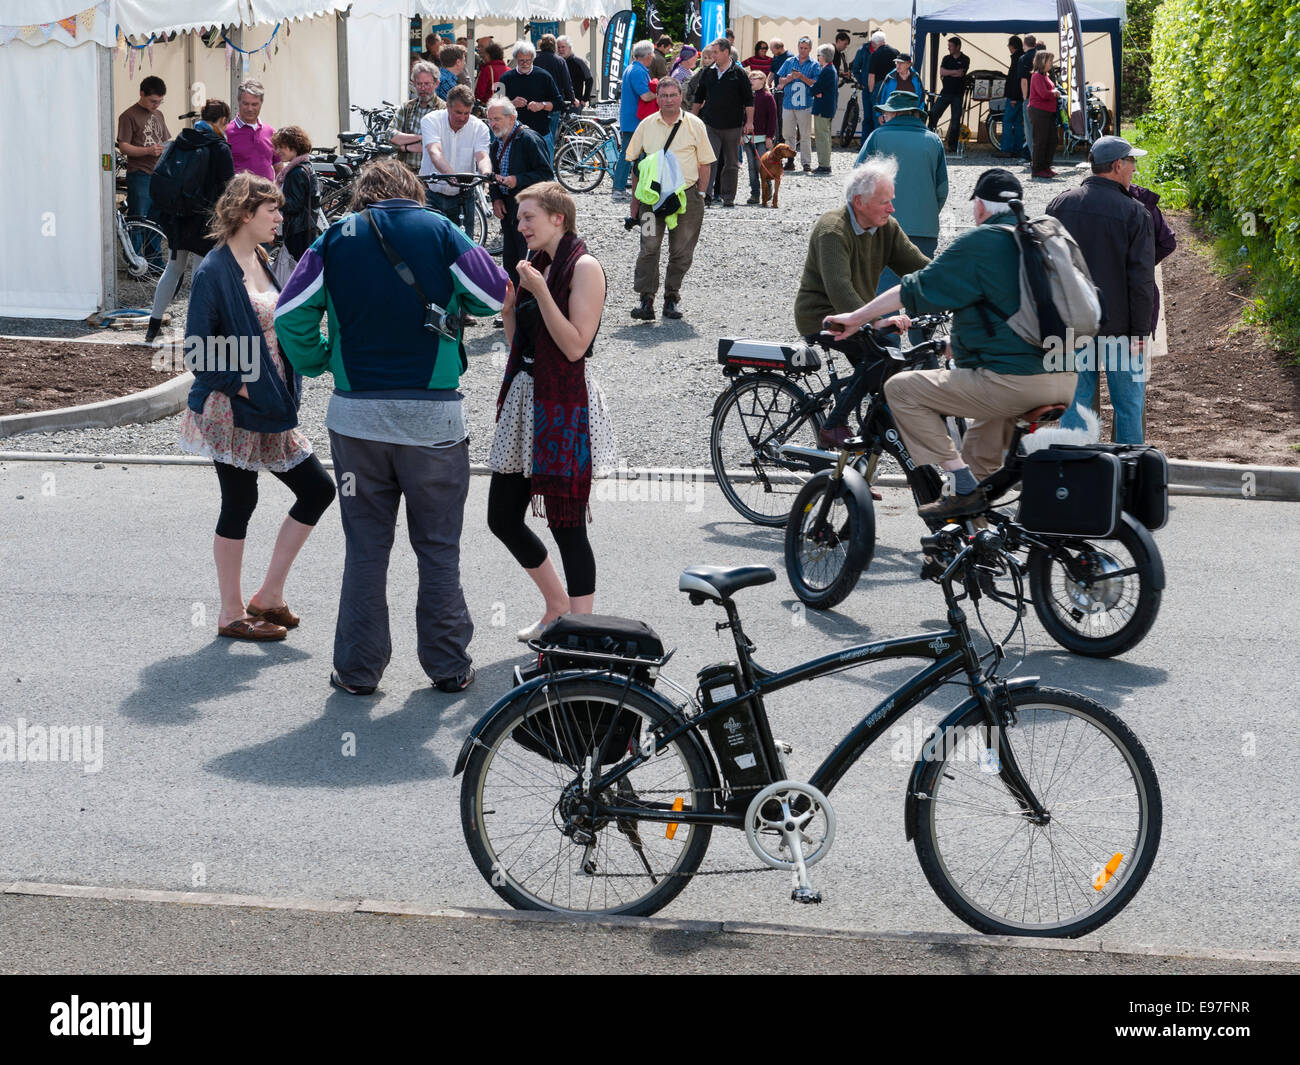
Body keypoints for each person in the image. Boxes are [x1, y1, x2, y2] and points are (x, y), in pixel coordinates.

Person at [275, 158, 508, 694]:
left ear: (364, 194)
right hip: (434, 420)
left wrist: (320, 360)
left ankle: (358, 671)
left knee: (366, 548)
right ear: (414, 191)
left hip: (357, 420)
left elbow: (290, 312)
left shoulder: (337, 237)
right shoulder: (443, 229)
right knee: (438, 546)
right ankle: (448, 666)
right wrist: (456, 306)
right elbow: (494, 295)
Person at [823, 168, 1079, 521]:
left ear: (980, 207)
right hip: (1064, 377)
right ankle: (981, 545)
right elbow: (1010, 316)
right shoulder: (1037, 241)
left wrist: (855, 318)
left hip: (1012, 384)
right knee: (980, 459)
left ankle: (958, 482)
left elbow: (912, 288)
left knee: (901, 389)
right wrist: (954, 344)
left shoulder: (981, 243)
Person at [177, 174, 335, 642]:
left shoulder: (262, 257)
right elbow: (197, 352)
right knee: (241, 501)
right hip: (233, 409)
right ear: (246, 214)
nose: (280, 219)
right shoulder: (213, 270)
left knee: (317, 491)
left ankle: (268, 595)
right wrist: (243, 386)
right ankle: (229, 613)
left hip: (271, 405)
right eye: (273, 211)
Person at [488, 182, 615, 639]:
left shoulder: (584, 267)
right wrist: (508, 313)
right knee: (501, 517)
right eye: (519, 218)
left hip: (565, 406)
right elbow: (524, 347)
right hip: (527, 398)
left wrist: (540, 293)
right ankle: (556, 604)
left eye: (528, 218)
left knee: (567, 523)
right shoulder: (536, 265)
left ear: (558, 218)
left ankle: (578, 628)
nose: (519, 226)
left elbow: (575, 346)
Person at [793, 157, 929, 450]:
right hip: (825, 318)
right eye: (884, 202)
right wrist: (877, 321)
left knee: (886, 382)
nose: (892, 208)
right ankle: (833, 425)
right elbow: (840, 290)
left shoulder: (886, 227)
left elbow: (919, 267)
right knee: (880, 359)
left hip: (860, 316)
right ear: (859, 202)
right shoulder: (832, 230)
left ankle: (858, 464)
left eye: (891, 201)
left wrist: (958, 288)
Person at [1048, 136, 1156, 445]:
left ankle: (1074, 477)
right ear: (1118, 165)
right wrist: (1140, 332)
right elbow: (1140, 281)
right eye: (1132, 162)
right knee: (1128, 409)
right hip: (1121, 333)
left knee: (1074, 407)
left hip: (1071, 330)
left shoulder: (1060, 206)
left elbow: (1047, 270)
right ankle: (1130, 476)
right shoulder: (1136, 214)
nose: (1135, 169)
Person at [626, 77, 716, 321]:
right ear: (657, 99)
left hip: (686, 197)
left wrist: (700, 193)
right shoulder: (646, 124)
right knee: (648, 248)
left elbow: (706, 162)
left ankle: (671, 298)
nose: (668, 100)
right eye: (663, 95)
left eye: (672, 95)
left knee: (681, 251)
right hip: (650, 199)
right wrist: (634, 203)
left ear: (681, 97)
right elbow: (636, 165)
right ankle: (646, 300)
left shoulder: (695, 125)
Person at [145, 99, 235, 343]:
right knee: (200, 273)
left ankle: (152, 327)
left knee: (173, 269)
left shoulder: (180, 142)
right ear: (223, 121)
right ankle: (195, 332)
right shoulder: (219, 148)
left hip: (177, 216)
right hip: (205, 219)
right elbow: (229, 188)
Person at [858, 91, 947, 310]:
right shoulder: (933, 140)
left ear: (895, 114)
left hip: (883, 227)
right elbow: (942, 189)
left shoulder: (877, 137)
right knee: (920, 291)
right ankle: (924, 341)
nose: (883, 117)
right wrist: (927, 213)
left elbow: (858, 181)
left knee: (885, 293)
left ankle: (889, 343)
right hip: (924, 228)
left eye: (886, 113)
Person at [487, 98, 555, 291]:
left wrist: (518, 179)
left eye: (497, 119)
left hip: (529, 206)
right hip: (508, 206)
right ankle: (513, 305)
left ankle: (531, 304)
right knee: (510, 258)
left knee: (529, 259)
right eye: (490, 119)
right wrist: (496, 197)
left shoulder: (529, 139)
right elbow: (493, 175)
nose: (493, 124)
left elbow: (546, 174)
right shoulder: (497, 143)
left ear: (512, 118)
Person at [421, 85, 492, 241]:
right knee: (429, 245)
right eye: (458, 112)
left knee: (464, 247)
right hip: (431, 194)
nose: (462, 118)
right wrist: (450, 174)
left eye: (467, 113)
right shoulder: (431, 121)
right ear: (447, 106)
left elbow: (482, 156)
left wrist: (486, 173)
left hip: (463, 195)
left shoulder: (479, 128)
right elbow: (435, 152)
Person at [693, 38, 754, 208]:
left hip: (733, 126)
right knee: (709, 161)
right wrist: (691, 118)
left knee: (731, 162)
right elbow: (699, 97)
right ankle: (706, 195)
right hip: (711, 124)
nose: (713, 55)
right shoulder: (707, 72)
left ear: (726, 52)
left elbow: (749, 99)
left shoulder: (739, 73)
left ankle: (728, 197)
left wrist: (749, 122)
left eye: (715, 52)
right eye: (712, 52)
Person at [116, 75, 170, 261]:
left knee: (156, 220)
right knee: (138, 219)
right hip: (140, 173)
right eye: (153, 101)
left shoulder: (159, 115)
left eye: (159, 102)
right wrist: (148, 150)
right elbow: (124, 147)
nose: (156, 105)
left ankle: (154, 261)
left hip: (158, 174)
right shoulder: (128, 116)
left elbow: (164, 140)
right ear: (142, 94)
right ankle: (136, 261)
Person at [500, 40, 564, 157]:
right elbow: (496, 105)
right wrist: (511, 103)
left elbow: (558, 103)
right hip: (514, 134)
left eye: (528, 60)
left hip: (540, 133)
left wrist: (542, 105)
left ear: (533, 59)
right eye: (521, 61)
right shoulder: (506, 78)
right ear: (516, 59)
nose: (525, 63)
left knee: (544, 173)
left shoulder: (544, 76)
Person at [613, 40, 657, 201]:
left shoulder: (631, 68)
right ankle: (618, 189)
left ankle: (623, 188)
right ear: (648, 55)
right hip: (635, 121)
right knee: (628, 155)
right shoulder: (638, 71)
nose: (652, 57)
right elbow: (645, 96)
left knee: (631, 155)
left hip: (631, 120)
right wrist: (661, 94)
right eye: (652, 54)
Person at [272, 125, 320, 262]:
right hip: (306, 228)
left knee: (294, 268)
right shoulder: (306, 166)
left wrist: (272, 201)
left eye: (282, 147)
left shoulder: (296, 172)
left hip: (297, 231)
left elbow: (294, 205)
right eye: (277, 147)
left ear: (295, 146)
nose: (278, 151)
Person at [390, 62, 443, 172]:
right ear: (414, 84)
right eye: (419, 84)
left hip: (432, 174)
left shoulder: (443, 110)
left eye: (427, 84)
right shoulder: (407, 107)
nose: (423, 88)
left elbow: (444, 144)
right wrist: (420, 138)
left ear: (436, 84)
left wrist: (404, 145)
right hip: (406, 172)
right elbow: (389, 136)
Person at [776, 36, 818, 173]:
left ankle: (806, 162)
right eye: (801, 48)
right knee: (788, 133)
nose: (803, 51)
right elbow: (780, 81)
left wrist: (802, 77)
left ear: (810, 49)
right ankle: (789, 160)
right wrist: (788, 79)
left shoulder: (814, 64)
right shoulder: (789, 61)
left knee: (805, 135)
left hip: (805, 104)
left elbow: (815, 83)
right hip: (788, 103)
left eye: (806, 48)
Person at [227, 80, 277, 181]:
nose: (250, 109)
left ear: (261, 103)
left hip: (267, 195)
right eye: (246, 104)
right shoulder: (227, 133)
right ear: (238, 101)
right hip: (239, 195)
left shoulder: (270, 132)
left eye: (254, 104)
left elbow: (279, 167)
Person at [534, 34, 576, 151]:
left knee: (536, 136)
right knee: (550, 137)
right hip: (554, 104)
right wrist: (572, 99)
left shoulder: (535, 60)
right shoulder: (560, 61)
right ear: (554, 46)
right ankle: (549, 166)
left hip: (537, 104)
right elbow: (567, 83)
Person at [928, 37, 970, 152]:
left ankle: (952, 146)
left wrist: (949, 72)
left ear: (958, 47)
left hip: (958, 94)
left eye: (951, 46)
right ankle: (929, 139)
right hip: (945, 92)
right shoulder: (946, 58)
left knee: (955, 120)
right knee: (934, 114)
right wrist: (954, 72)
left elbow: (961, 74)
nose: (949, 48)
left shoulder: (965, 59)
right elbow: (942, 72)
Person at [1027, 50, 1063, 178]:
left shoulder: (1045, 75)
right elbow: (1043, 94)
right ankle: (1037, 169)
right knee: (1040, 141)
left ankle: (1046, 167)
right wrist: (1054, 92)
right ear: (1042, 61)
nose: (1051, 64)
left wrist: (1054, 91)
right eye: (1050, 61)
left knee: (1052, 140)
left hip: (1048, 112)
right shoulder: (1036, 76)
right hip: (1038, 112)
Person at [744, 69, 777, 205]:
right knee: (751, 167)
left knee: (761, 165)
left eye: (755, 78)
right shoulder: (745, 96)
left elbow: (772, 118)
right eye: (750, 78)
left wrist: (770, 136)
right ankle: (755, 194)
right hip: (748, 138)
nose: (752, 80)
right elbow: (741, 116)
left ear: (763, 81)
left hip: (763, 138)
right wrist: (741, 134)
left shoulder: (768, 97)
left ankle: (767, 188)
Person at [864, 31, 900, 138]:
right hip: (894, 86)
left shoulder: (875, 54)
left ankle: (879, 139)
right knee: (893, 113)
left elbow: (871, 75)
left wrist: (871, 92)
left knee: (878, 116)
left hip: (879, 86)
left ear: (874, 43)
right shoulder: (896, 52)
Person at [810, 44, 839, 174]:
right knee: (824, 135)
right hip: (826, 106)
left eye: (819, 55)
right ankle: (824, 163)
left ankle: (824, 165)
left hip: (823, 107)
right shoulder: (830, 69)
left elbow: (816, 88)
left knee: (822, 136)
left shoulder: (827, 70)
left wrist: (816, 91)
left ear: (824, 56)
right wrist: (817, 91)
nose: (818, 58)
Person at [1018, 35, 1045, 164]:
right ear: (1035, 44)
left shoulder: (1023, 58)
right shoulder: (1041, 56)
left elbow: (1024, 81)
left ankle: (1035, 158)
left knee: (1029, 129)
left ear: (1024, 43)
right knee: (1041, 128)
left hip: (1030, 98)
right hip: (1043, 97)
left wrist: (1025, 97)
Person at [557, 36, 593, 108]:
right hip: (559, 103)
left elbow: (589, 80)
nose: (560, 49)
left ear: (570, 48)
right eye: (558, 47)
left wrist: (584, 99)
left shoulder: (579, 62)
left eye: (563, 47)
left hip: (575, 103)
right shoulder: (556, 62)